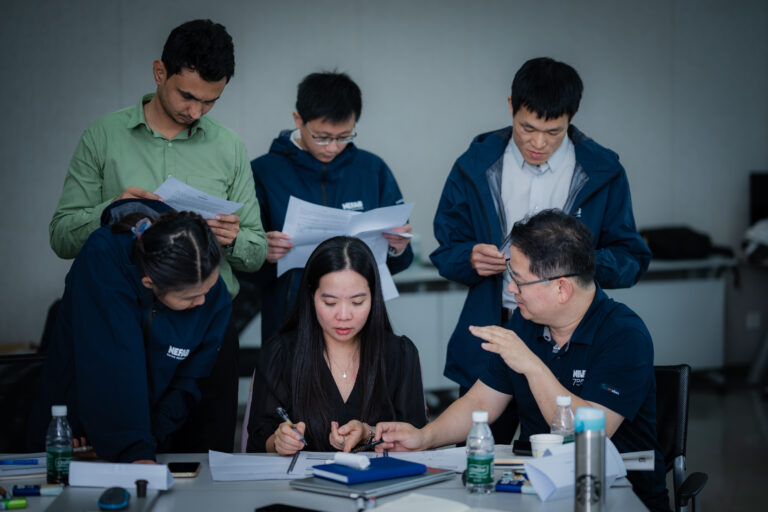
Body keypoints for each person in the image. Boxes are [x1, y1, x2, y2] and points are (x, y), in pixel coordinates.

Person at [48, 19, 267, 452]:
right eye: (188, 96)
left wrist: (231, 238)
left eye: (211, 101)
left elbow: (256, 253)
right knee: (125, 451)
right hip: (124, 328)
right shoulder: (104, 137)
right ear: (159, 73)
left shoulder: (229, 147)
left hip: (206, 324)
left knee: (208, 462)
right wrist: (110, 212)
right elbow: (61, 237)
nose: (196, 112)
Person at [375, 210, 669, 511]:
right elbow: (481, 403)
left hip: (614, 496)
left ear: (561, 288)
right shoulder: (525, 323)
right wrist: (424, 438)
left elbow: (590, 435)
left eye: (518, 279)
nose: (510, 289)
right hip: (538, 489)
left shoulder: (623, 334)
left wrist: (530, 364)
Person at [430, 57, 652, 443]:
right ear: (511, 105)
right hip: (497, 322)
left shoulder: (602, 170)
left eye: (553, 132)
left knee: (560, 429)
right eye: (526, 128)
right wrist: (468, 258)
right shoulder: (476, 164)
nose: (538, 143)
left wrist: (574, 264)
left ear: (571, 119)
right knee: (480, 447)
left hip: (568, 331)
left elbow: (632, 257)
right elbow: (445, 250)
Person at [28, 199, 231, 462]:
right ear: (149, 283)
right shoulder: (103, 259)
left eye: (208, 289)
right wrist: (134, 449)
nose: (202, 302)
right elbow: (112, 363)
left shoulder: (210, 290)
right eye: (190, 298)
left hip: (148, 433)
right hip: (76, 429)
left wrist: (154, 434)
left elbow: (190, 379)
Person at [250, 71, 412, 344]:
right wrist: (261, 251)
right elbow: (243, 266)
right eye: (323, 137)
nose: (333, 147)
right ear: (298, 120)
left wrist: (398, 246)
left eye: (344, 136)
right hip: (289, 321)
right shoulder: (264, 172)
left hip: (357, 324)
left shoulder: (373, 170)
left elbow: (396, 261)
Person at [246, 236, 426, 454]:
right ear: (311, 296)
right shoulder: (281, 353)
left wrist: (368, 433)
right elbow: (258, 439)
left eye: (357, 302)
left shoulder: (400, 354)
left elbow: (417, 439)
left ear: (374, 297)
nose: (343, 315)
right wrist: (278, 441)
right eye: (330, 302)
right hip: (299, 487)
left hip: (380, 486)